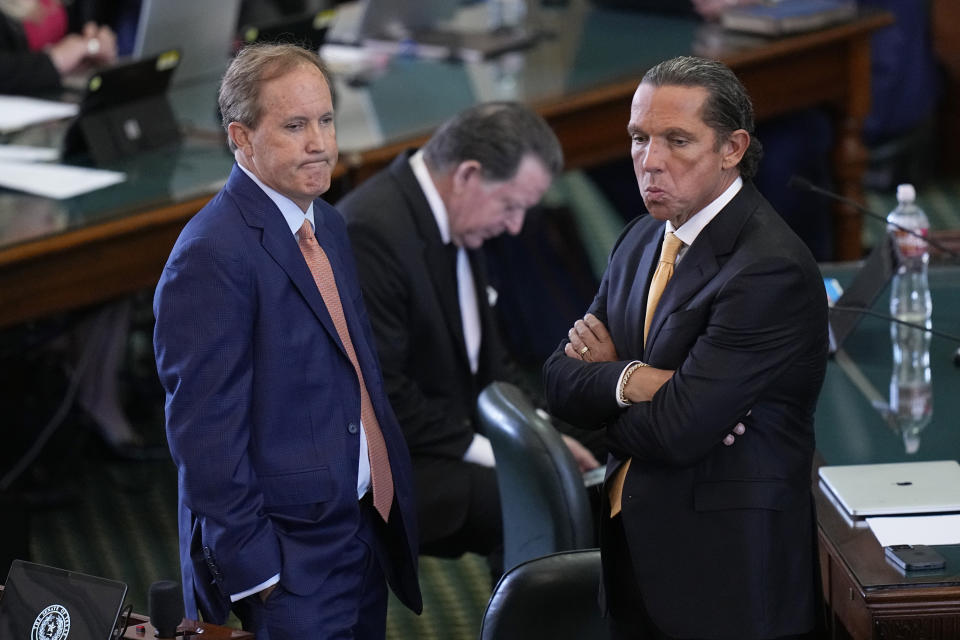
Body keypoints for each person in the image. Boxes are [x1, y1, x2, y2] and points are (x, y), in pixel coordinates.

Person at [543, 56, 828, 639]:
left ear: (732, 148)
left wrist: (610, 389)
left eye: (677, 140)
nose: (650, 162)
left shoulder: (769, 267)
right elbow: (555, 382)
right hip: (631, 552)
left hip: (724, 580)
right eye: (639, 138)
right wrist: (636, 383)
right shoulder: (640, 236)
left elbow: (678, 432)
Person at [153, 43, 421, 639]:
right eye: (295, 126)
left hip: (358, 528)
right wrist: (257, 573)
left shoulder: (326, 221)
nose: (321, 143)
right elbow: (205, 438)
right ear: (240, 140)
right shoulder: (211, 256)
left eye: (326, 120)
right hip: (287, 559)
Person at [336, 102, 601, 580]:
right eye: (511, 205)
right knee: (539, 499)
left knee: (605, 440)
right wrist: (513, 452)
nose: (517, 225)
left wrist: (539, 431)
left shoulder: (459, 220)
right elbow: (382, 399)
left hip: (446, 429)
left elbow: (490, 362)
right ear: (468, 175)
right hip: (387, 463)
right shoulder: (370, 232)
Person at [0, 0, 117, 94]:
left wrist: (94, 42)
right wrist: (54, 60)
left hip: (65, 92)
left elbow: (83, 28)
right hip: (24, 103)